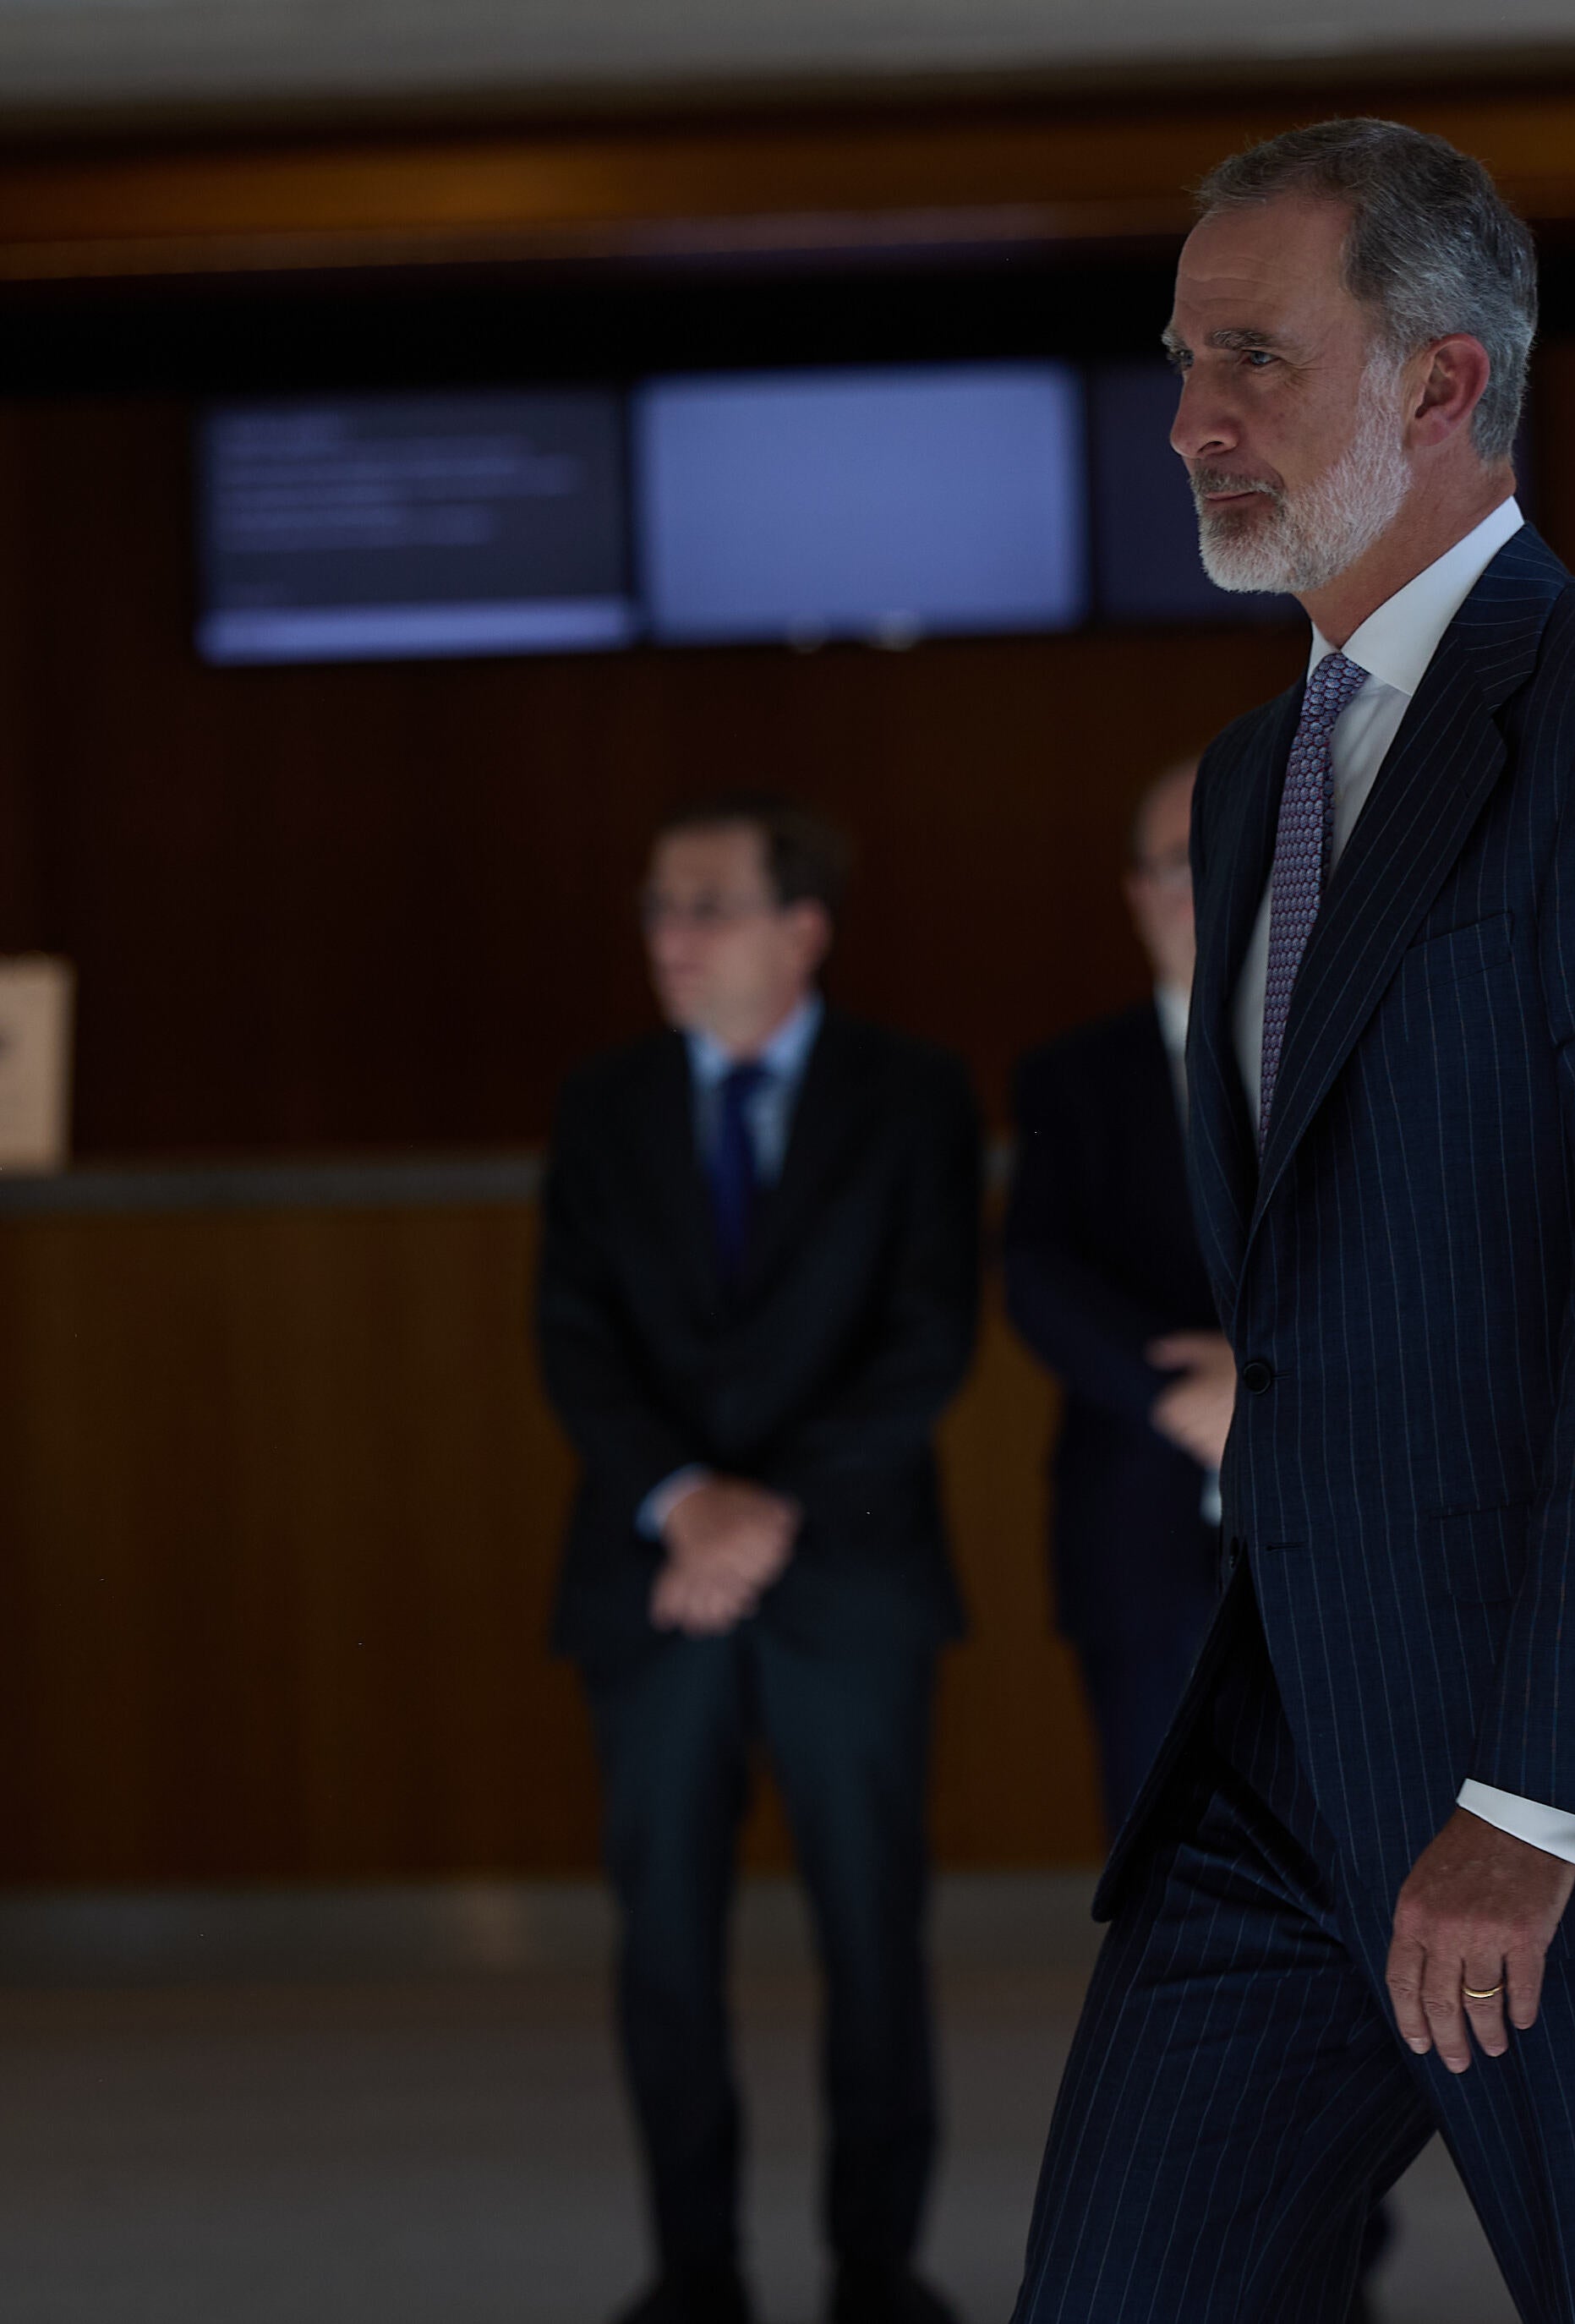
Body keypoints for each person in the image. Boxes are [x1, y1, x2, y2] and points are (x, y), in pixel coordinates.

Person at [1009, 120, 1575, 2324]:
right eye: (1180, 361)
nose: (1193, 416)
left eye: (1250, 358)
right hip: (1280, 1756)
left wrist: (1546, 1792)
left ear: (1439, 382)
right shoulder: (1252, 775)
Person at [535, 796, 984, 2324]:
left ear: (804, 927)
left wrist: (766, 1506)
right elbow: (571, 1341)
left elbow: (929, 1337)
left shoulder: (912, 1092)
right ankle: (696, 2273)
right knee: (663, 1943)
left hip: (846, 1578)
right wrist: (684, 1501)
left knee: (873, 1935)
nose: (671, 935)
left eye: (708, 904)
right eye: (659, 904)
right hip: (654, 1581)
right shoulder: (600, 1103)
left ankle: (874, 2270)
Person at [1004, 757, 1235, 1832]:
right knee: (1161, 1864)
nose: (1203, 890)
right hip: (1137, 1523)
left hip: (1338, 1533)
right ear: (1140, 893)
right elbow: (1038, 1275)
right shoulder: (1071, 1077)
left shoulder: (1378, 1052)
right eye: (1176, 867)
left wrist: (1264, 1387)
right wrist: (1175, 1398)